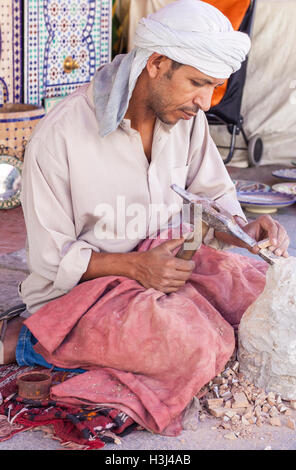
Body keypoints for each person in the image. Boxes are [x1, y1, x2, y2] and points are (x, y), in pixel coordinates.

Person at [0, 0, 290, 434]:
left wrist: (241, 230)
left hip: (164, 266)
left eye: (211, 87)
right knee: (192, 347)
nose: (203, 102)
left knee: (259, 296)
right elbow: (50, 260)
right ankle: (29, 337)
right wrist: (136, 267)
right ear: (156, 62)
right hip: (88, 290)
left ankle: (174, 315)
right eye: (196, 83)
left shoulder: (186, 118)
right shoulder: (60, 137)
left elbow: (212, 195)